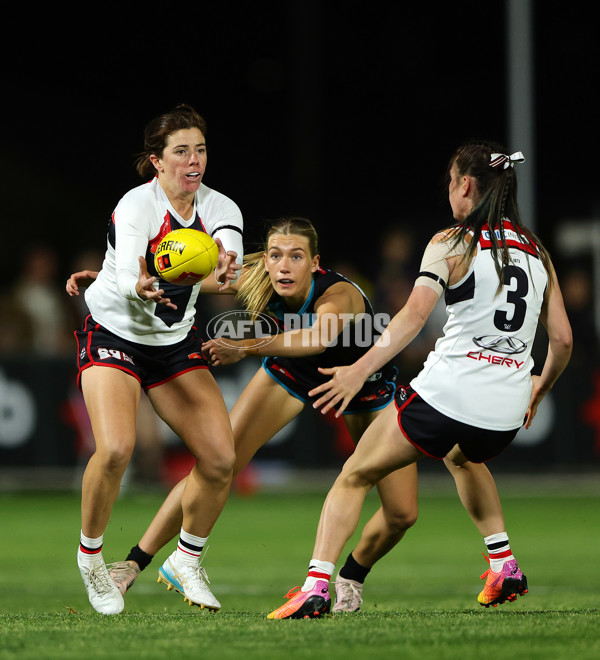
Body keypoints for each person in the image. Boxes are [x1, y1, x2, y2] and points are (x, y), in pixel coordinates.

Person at [69, 216, 525, 614]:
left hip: (363, 385)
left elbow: (317, 339)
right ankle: (134, 562)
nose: (283, 265)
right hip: (291, 371)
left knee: (403, 513)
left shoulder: (339, 294)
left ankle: (350, 576)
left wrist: (245, 346)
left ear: (315, 261)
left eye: (295, 256)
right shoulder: (258, 273)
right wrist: (116, 279)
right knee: (218, 464)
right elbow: (180, 272)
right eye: (274, 255)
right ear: (263, 258)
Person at [267, 141, 573, 619]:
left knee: (354, 476)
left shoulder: (451, 241)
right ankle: (504, 562)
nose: (450, 190)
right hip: (507, 409)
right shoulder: (537, 251)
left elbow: (410, 319)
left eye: (452, 181)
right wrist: (540, 387)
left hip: (449, 394)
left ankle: (315, 585)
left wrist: (357, 369)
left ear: (465, 185)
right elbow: (562, 340)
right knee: (464, 457)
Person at [67, 104, 243, 615]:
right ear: (157, 162)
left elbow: (223, 257)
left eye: (201, 149)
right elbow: (127, 276)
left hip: (171, 343)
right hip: (113, 333)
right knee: (117, 449)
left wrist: (226, 263)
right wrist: (140, 284)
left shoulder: (220, 207)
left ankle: (186, 559)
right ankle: (92, 558)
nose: (194, 160)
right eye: (181, 151)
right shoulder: (135, 206)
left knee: (219, 457)